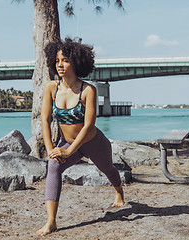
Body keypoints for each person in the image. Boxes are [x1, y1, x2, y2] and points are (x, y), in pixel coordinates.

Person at [36, 38, 124, 236]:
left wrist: (69, 151)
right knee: (53, 167)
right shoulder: (51, 88)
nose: (60, 64)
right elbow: (45, 119)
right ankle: (51, 221)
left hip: (93, 142)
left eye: (65, 60)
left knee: (107, 168)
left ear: (76, 62)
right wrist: (51, 149)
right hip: (66, 143)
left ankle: (118, 190)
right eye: (57, 60)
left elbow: (89, 125)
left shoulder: (88, 90)